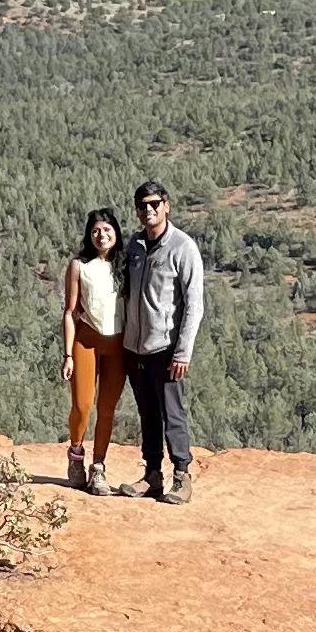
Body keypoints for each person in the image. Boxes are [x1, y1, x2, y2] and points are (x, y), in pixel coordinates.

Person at [118, 178, 205, 504]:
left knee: (173, 414)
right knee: (148, 414)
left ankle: (182, 477)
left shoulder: (183, 247)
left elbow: (194, 305)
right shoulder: (135, 246)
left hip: (166, 349)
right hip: (135, 348)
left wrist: (182, 352)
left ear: (167, 205)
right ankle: (152, 475)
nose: (149, 210)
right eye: (142, 206)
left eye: (155, 204)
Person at [60, 206, 128, 492]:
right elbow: (70, 312)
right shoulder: (79, 265)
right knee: (83, 404)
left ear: (116, 232)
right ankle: (76, 455)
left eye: (107, 229)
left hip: (119, 346)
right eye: (96, 231)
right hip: (86, 341)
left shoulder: (126, 264)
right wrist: (67, 355)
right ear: (89, 236)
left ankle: (98, 467)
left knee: (107, 409)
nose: (102, 235)